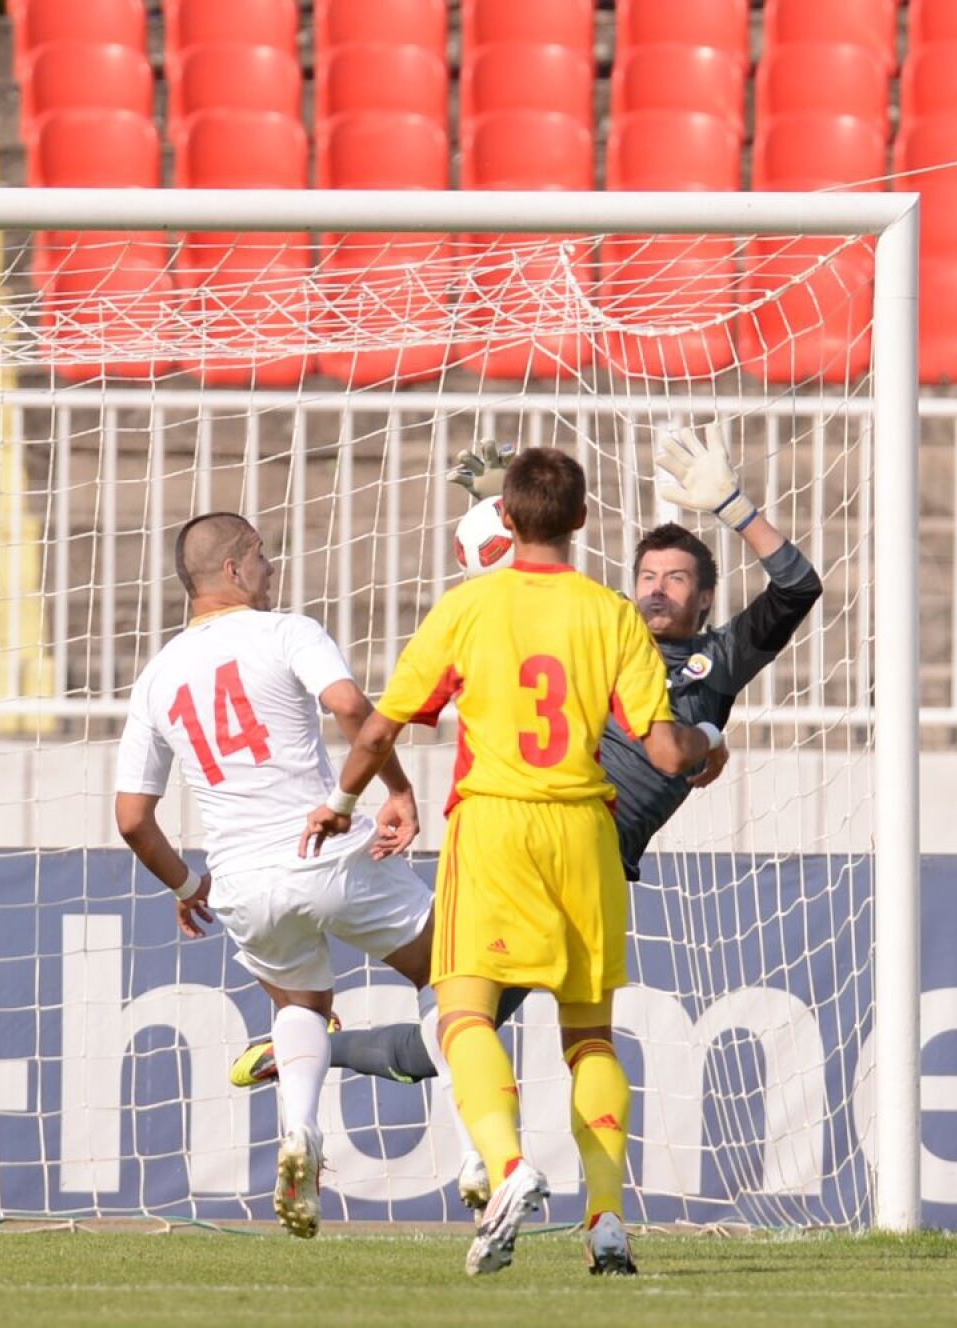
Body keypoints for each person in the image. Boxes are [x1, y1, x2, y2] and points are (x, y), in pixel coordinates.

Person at [234, 424, 824, 1224]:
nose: (655, 590)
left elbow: (796, 586)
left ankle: (324, 1055)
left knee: (460, 1031)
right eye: (646, 574)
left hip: (572, 848)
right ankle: (315, 1050)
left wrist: (733, 506)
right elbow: (534, 596)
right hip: (560, 841)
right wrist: (705, 744)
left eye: (677, 579)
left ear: (706, 598)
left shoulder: (720, 657)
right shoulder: (602, 620)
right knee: (447, 1038)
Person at [298, 448, 730, 1278]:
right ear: (580, 521)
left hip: (495, 827)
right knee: (590, 1036)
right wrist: (709, 740)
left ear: (506, 519)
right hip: (584, 834)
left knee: (462, 1014)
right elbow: (667, 751)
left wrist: (345, 802)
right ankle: (606, 1220)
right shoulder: (610, 615)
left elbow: (382, 727)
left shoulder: (468, 609)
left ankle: (506, 1166)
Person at [112, 511, 465, 1242]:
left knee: (299, 1004)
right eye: (263, 557)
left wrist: (186, 886)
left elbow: (131, 818)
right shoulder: (286, 632)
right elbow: (352, 711)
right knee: (460, 978)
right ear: (236, 569)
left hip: (240, 877)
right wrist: (393, 790)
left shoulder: (154, 679)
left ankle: (299, 1133)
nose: (272, 570)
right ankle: (479, 1159)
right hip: (326, 850)